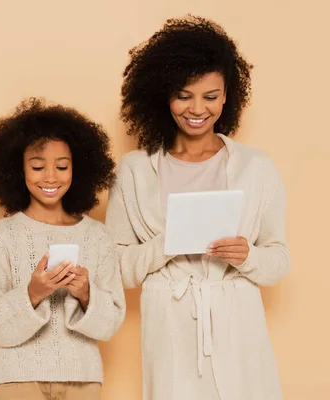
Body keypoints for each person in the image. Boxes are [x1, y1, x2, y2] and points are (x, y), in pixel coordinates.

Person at [106, 15, 289, 400]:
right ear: (164, 95)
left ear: (227, 96)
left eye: (210, 96)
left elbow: (279, 261)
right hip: (169, 325)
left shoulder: (256, 168)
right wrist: (166, 243)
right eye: (184, 94)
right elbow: (118, 268)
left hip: (238, 323)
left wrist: (247, 255)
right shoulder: (135, 170)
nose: (197, 108)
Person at [0, 98, 126, 400]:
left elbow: (111, 324)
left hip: (83, 379)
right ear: (18, 169)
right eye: (38, 166)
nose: (51, 177)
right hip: (18, 380)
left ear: (78, 168)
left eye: (62, 166)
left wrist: (85, 293)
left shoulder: (98, 236)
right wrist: (33, 293)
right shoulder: (1, 236)